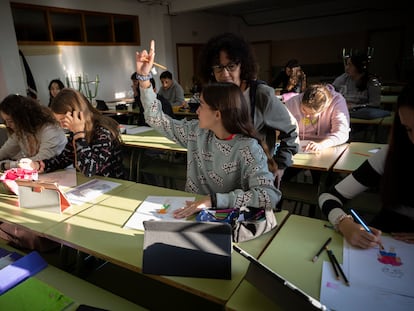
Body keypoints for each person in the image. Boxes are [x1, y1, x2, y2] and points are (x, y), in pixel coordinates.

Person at [135, 40, 281, 221]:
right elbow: (156, 118)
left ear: (218, 114)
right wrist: (144, 78)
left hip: (228, 222)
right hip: (190, 213)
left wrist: (213, 201)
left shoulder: (247, 148)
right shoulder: (196, 132)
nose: (196, 111)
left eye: (201, 106)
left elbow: (269, 196)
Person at [196, 32, 299, 188]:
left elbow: (291, 130)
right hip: (222, 179)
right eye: (218, 67)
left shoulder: (260, 95)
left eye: (231, 66)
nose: (224, 74)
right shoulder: (213, 95)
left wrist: (281, 165)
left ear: (242, 65)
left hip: (256, 179)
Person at [318, 83, 414, 249]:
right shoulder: (392, 156)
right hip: (386, 241)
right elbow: (328, 196)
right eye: (408, 129)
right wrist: (344, 223)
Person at [20, 88, 126, 179]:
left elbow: (89, 170)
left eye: (63, 120)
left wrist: (79, 134)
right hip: (89, 184)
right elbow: (63, 159)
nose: (62, 126)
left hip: (112, 187)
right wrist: (38, 165)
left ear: (77, 114)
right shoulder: (75, 133)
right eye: (58, 121)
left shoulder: (103, 132)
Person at [0, 94, 67, 170]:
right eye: (5, 121)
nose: (8, 125)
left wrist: (8, 165)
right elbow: (4, 152)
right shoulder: (22, 132)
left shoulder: (49, 129)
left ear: (23, 118)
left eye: (10, 121)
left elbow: (41, 160)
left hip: (64, 173)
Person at [285, 83, 350, 153]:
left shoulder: (337, 102)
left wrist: (322, 145)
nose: (306, 115)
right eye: (303, 109)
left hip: (327, 146)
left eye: (312, 114)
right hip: (298, 145)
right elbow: (282, 127)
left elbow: (342, 133)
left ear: (324, 109)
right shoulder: (292, 102)